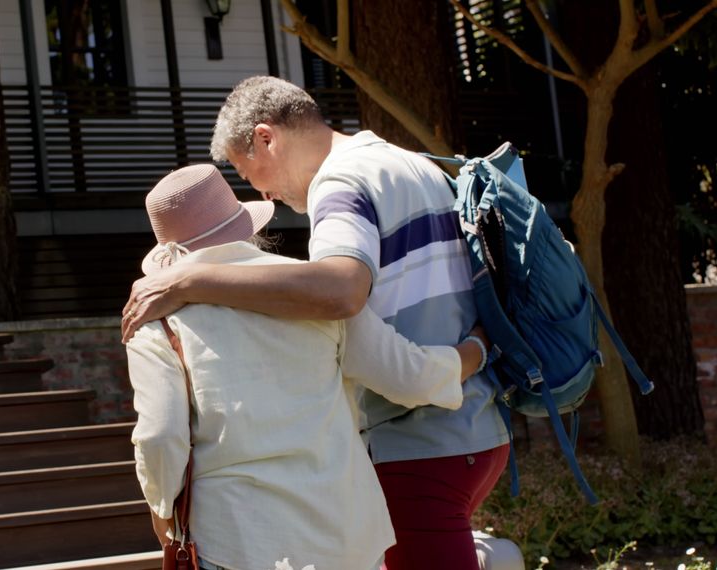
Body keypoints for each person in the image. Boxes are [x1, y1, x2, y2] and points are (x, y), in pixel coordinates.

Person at [121, 76, 511, 570]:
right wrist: (478, 350)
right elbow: (403, 367)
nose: (262, 190)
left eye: (250, 171)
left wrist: (185, 283)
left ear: (267, 137)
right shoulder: (412, 163)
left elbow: (339, 293)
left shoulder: (334, 199)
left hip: (284, 513)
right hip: (405, 479)